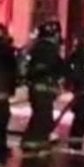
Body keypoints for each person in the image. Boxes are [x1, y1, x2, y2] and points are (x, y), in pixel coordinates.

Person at [19, 20, 67, 157]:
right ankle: (35, 143)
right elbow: (60, 68)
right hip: (44, 88)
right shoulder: (50, 49)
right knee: (43, 116)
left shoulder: (35, 48)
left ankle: (33, 142)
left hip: (35, 88)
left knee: (40, 114)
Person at [0, 24, 18, 157]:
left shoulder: (3, 52)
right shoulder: (0, 53)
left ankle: (0, 146)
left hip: (1, 89)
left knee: (2, 117)